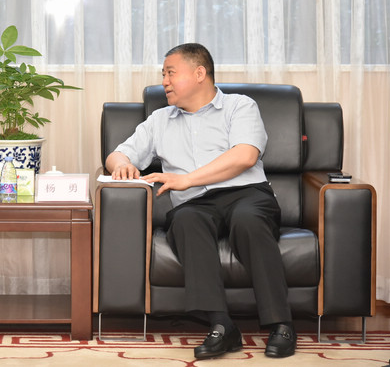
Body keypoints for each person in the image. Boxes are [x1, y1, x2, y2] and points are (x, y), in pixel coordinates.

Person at [105, 43, 296, 359]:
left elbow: (245, 156)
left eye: (170, 73)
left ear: (199, 73)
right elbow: (117, 153)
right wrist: (122, 165)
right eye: (163, 75)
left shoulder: (239, 106)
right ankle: (222, 325)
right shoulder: (160, 119)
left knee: (248, 221)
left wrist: (187, 179)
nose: (164, 81)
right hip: (194, 204)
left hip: (247, 194)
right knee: (186, 221)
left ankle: (281, 324)